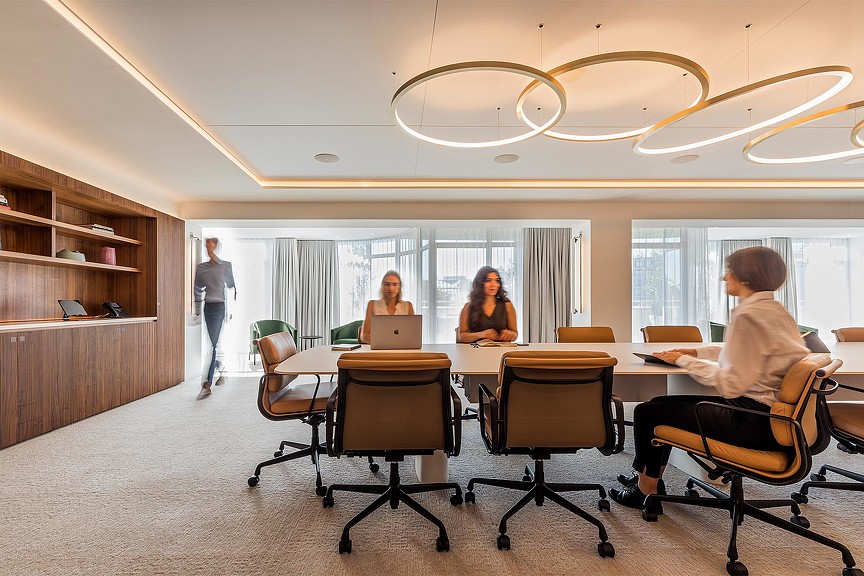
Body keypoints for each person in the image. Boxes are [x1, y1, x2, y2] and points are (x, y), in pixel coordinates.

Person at [610, 246, 809, 510]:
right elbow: (748, 351)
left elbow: (730, 384)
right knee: (659, 403)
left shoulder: (747, 314)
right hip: (774, 420)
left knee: (648, 413)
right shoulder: (776, 311)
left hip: (753, 422)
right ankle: (649, 478)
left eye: (730, 272)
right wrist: (694, 351)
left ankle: (646, 492)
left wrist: (683, 360)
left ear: (746, 277)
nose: (724, 277)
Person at [194, 237, 237, 396]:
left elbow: (231, 285)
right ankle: (222, 370)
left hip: (220, 307)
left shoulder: (226, 266)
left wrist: (230, 312)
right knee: (212, 344)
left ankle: (206, 384)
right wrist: (197, 310)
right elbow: (197, 288)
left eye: (211, 246)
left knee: (212, 346)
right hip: (208, 307)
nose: (208, 249)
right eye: (206, 246)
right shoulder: (202, 268)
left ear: (217, 247)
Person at [457, 266, 518, 343]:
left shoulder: (507, 305)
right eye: (488, 280)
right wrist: (482, 334)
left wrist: (511, 334)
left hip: (500, 351)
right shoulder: (468, 307)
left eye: (497, 280)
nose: (494, 284)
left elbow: (515, 334)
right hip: (476, 352)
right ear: (480, 283)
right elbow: (461, 337)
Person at [359, 270, 415, 344]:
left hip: (401, 349)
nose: (391, 288)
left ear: (400, 287)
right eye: (387, 284)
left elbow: (413, 335)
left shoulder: (408, 306)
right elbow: (364, 336)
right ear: (382, 286)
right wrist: (385, 342)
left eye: (395, 284)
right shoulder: (372, 304)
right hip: (379, 349)